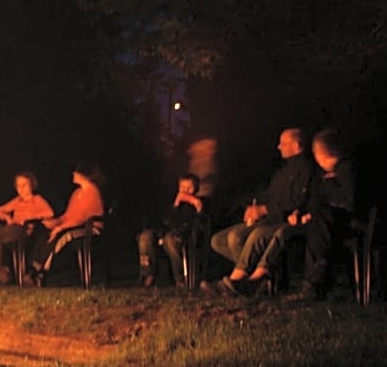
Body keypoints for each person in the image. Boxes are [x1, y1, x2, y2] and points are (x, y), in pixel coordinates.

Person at [203, 127, 314, 296]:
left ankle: (239, 281)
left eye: (283, 143)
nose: (279, 146)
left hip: (280, 220)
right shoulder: (281, 173)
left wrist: (265, 209)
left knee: (240, 237)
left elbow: (296, 202)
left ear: (297, 146)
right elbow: (269, 196)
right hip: (268, 218)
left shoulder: (306, 170)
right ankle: (252, 281)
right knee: (218, 240)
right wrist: (249, 206)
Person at [277, 128, 357, 301]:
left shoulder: (346, 171)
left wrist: (318, 208)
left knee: (320, 219)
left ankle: (314, 284)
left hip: (351, 225)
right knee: (317, 219)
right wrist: (304, 213)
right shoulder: (325, 175)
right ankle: (315, 280)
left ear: (322, 153)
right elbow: (317, 199)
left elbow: (348, 203)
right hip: (330, 225)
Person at [0, 171, 55, 284]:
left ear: (31, 185)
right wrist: (7, 217)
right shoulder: (17, 200)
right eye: (18, 186)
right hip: (9, 227)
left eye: (24, 185)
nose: (21, 189)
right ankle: (0, 273)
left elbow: (49, 213)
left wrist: (29, 217)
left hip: (21, 229)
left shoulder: (37, 199)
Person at [28, 162, 105, 286]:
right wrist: (55, 222)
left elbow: (84, 219)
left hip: (91, 229)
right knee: (45, 235)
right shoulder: (76, 193)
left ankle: (41, 273)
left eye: (76, 172)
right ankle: (33, 270)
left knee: (61, 236)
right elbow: (68, 216)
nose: (73, 174)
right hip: (73, 226)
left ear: (84, 175)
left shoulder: (92, 192)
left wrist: (61, 227)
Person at [137, 172, 205, 287]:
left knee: (170, 240)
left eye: (189, 188)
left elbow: (200, 223)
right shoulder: (174, 203)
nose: (186, 191)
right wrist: (176, 205)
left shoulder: (200, 203)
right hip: (165, 231)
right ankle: (148, 274)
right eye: (183, 188)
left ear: (196, 189)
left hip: (184, 235)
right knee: (145, 236)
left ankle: (179, 279)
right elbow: (166, 220)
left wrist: (198, 206)